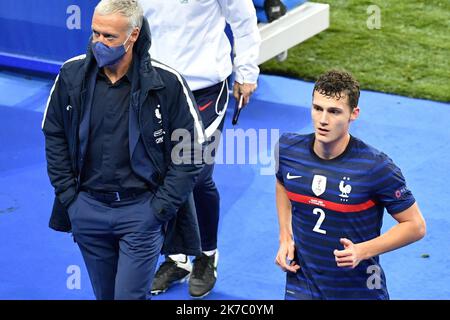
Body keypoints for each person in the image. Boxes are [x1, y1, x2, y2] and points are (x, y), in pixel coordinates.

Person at [42, 0, 205, 300]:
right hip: (88, 210)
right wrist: (70, 199)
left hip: (141, 213)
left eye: (109, 37)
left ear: (132, 36)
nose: (98, 43)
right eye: (95, 34)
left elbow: (191, 152)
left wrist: (160, 209)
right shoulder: (71, 74)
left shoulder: (167, 83)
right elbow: (53, 134)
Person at [139, 0, 261, 298]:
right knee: (163, 174)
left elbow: (244, 20)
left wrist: (246, 71)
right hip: (157, 85)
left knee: (196, 174)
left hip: (205, 89)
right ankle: (176, 258)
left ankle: (207, 255)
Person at [275, 70, 426, 300]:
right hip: (302, 284)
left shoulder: (376, 167)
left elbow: (415, 226)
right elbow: (282, 183)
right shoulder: (287, 149)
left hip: (358, 289)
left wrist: (362, 251)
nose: (323, 120)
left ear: (353, 114)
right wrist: (285, 236)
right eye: (318, 108)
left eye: (334, 111)